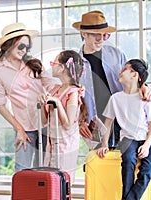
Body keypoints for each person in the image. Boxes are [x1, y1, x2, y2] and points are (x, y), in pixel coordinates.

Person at [72, 10, 151, 148]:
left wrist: (144, 86)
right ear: (83, 33)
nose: (101, 39)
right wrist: (80, 122)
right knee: (101, 163)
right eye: (96, 35)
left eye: (105, 35)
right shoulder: (73, 64)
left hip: (123, 117)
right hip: (95, 123)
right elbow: (73, 97)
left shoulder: (116, 55)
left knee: (127, 163)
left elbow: (133, 76)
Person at [0, 23, 57, 172]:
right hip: (24, 128)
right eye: (21, 46)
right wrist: (19, 129)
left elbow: (52, 86)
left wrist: (53, 93)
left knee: (44, 170)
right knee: (22, 170)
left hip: (46, 123)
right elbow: (0, 105)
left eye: (27, 47)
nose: (24, 50)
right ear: (9, 45)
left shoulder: (34, 65)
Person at [96, 59, 151, 200]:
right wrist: (104, 144)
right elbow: (108, 123)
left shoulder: (145, 98)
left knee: (147, 171)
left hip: (147, 139)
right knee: (128, 161)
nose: (120, 71)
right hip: (128, 139)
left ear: (134, 74)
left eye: (124, 69)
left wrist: (147, 145)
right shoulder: (115, 99)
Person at [38, 50, 88, 182]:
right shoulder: (54, 89)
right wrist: (44, 102)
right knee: (50, 181)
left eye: (53, 63)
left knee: (61, 181)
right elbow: (44, 121)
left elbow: (68, 123)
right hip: (51, 144)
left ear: (62, 68)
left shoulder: (73, 93)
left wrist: (57, 103)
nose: (51, 66)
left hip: (65, 145)